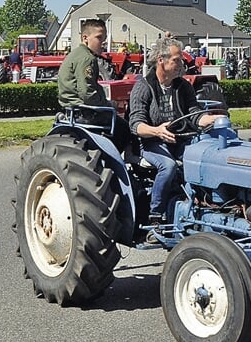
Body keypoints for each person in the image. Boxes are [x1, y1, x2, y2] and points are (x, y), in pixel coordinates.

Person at [128, 37, 224, 223]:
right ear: (161, 61)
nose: (182, 64)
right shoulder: (143, 87)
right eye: (176, 60)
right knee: (168, 166)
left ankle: (203, 204)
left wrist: (211, 119)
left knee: (209, 156)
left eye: (181, 59)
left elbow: (194, 115)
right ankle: (155, 214)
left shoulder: (184, 86)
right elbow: (136, 124)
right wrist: (157, 131)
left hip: (180, 139)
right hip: (150, 142)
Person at [58, 18, 129, 151]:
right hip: (85, 113)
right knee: (125, 128)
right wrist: (110, 105)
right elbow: (87, 93)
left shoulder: (76, 54)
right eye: (99, 38)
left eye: (104, 38)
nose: (102, 42)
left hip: (74, 110)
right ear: (85, 38)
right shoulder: (87, 58)